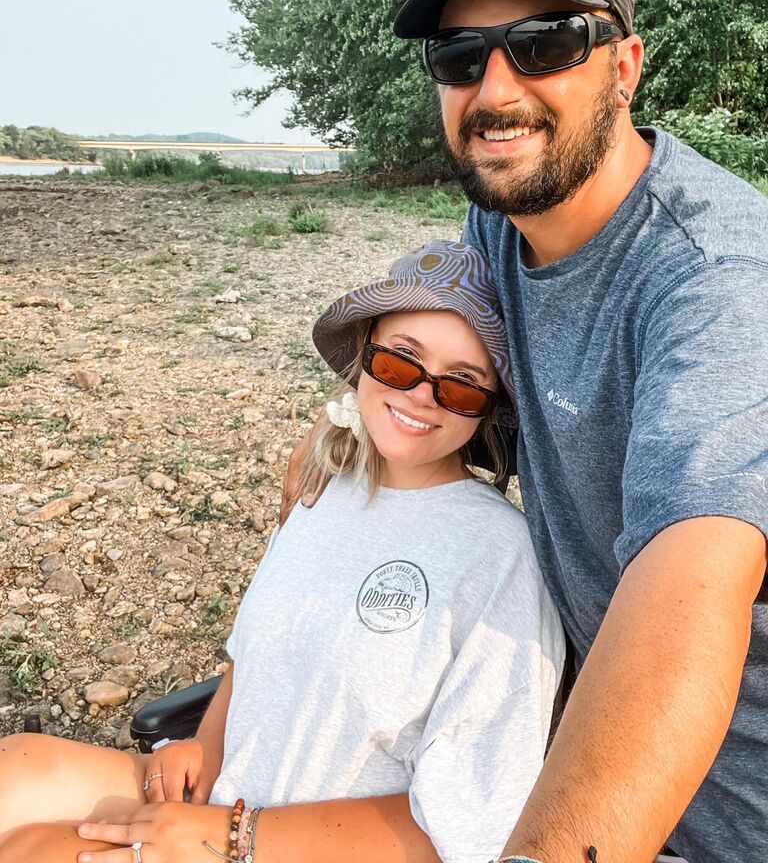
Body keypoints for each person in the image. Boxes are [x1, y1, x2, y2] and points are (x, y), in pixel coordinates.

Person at [283, 0, 768, 863]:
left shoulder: (719, 282)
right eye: (462, 57)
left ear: (625, 66)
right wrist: (337, 423)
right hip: (537, 730)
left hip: (710, 820)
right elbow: (441, 336)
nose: (496, 92)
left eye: (544, 45)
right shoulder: (501, 221)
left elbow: (690, 584)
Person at [0, 240, 564, 863]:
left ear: (487, 411)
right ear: (366, 357)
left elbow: (465, 825)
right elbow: (255, 654)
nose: (423, 395)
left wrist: (232, 837)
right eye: (402, 364)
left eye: (462, 385)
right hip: (235, 787)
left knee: (32, 849)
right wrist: (208, 746)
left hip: (310, 840)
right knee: (17, 766)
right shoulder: (326, 489)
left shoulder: (500, 556)